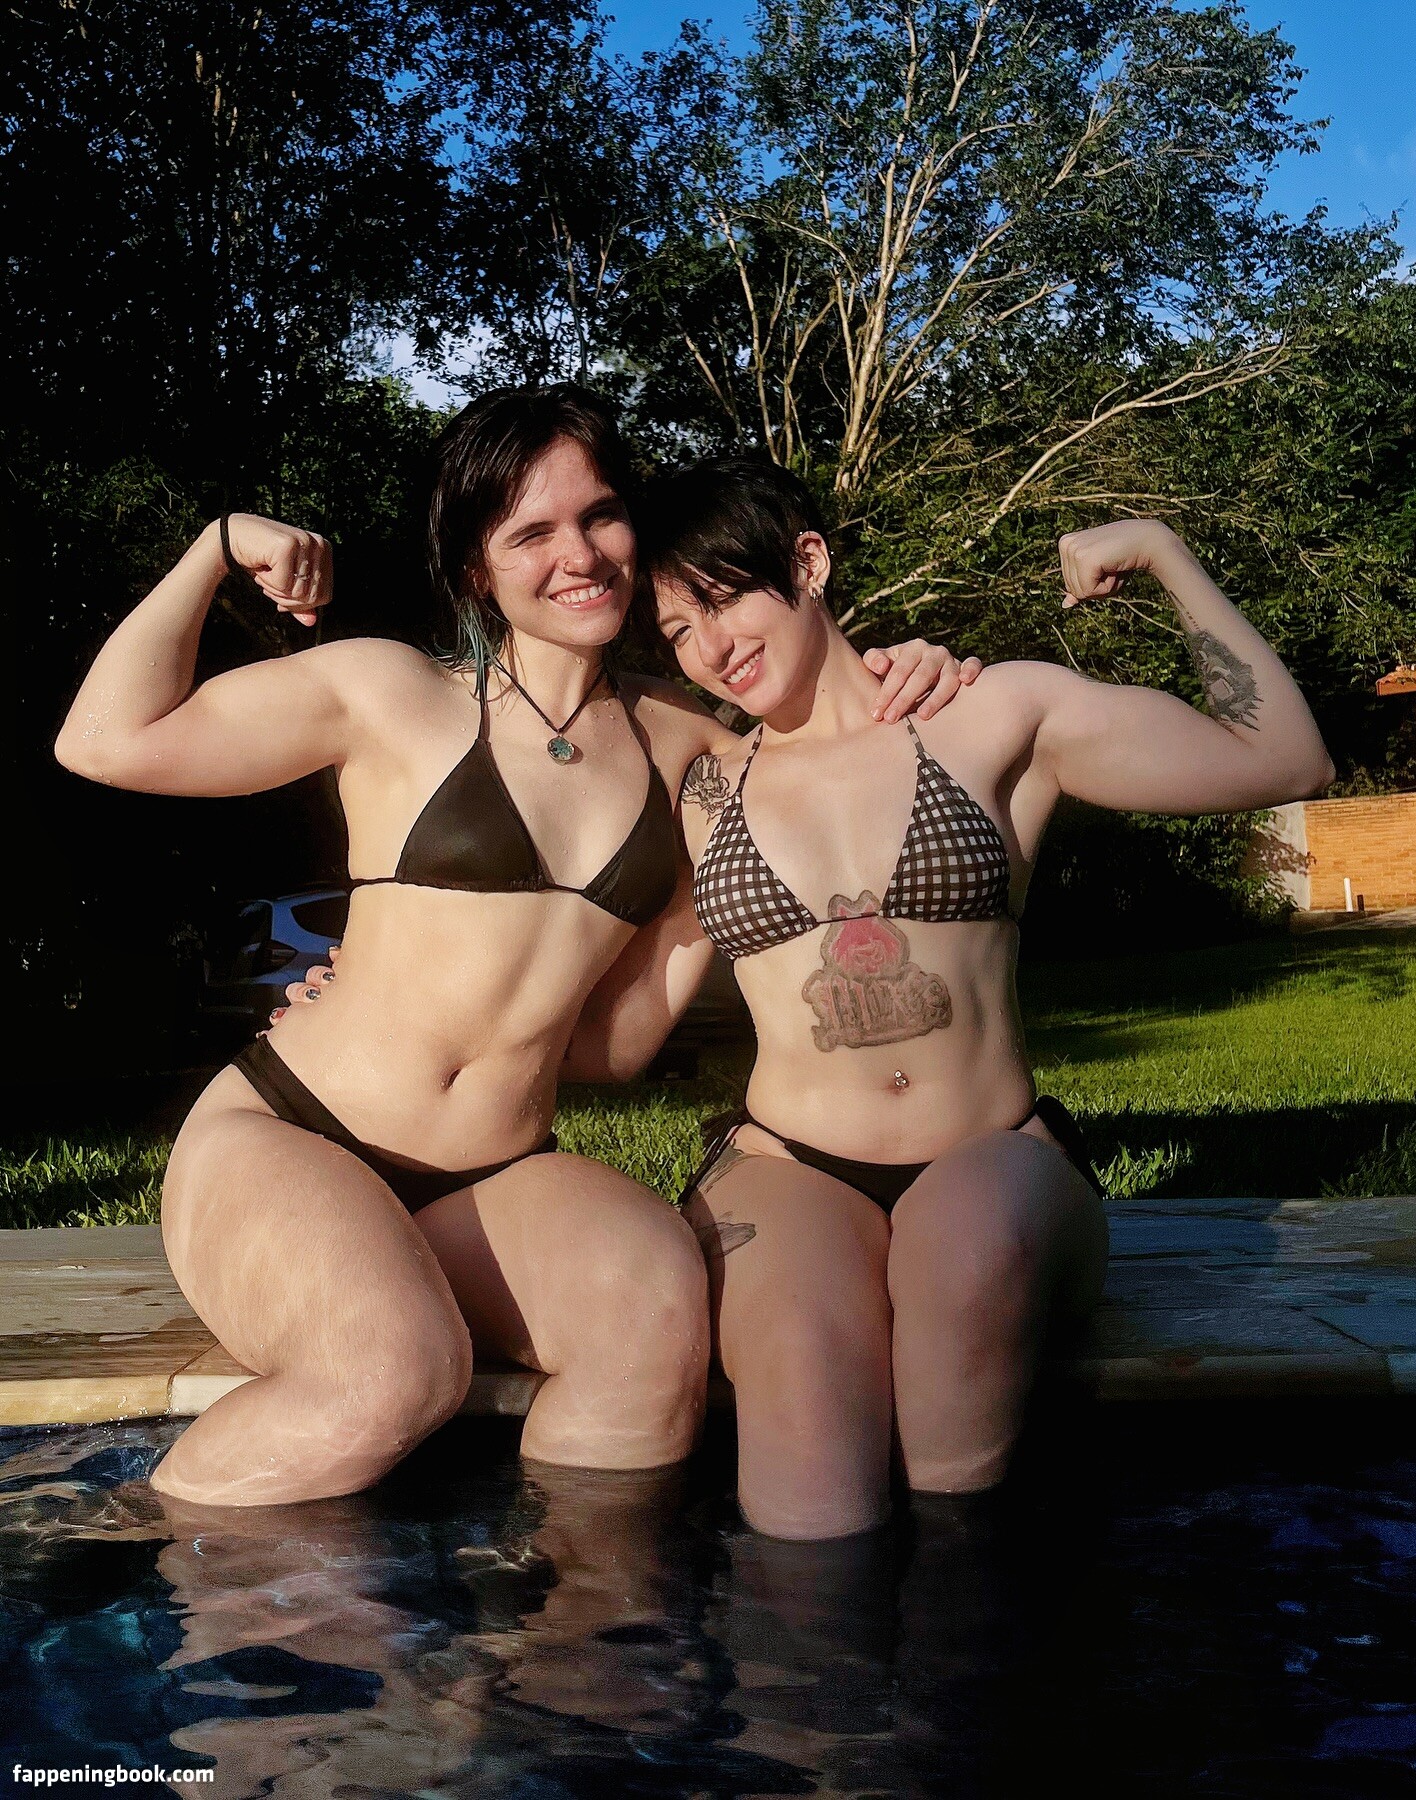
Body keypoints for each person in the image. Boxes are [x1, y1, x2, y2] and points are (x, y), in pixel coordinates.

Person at [53, 387, 972, 1509]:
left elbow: (619, 1039)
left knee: (656, 1311)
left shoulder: (690, 746)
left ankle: (570, 1605)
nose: (577, 555)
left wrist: (917, 670)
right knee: (392, 1373)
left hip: (492, 1175)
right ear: (476, 570)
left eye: (600, 516)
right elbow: (105, 741)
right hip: (293, 1136)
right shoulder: (389, 692)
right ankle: (137, 1553)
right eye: (531, 532)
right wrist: (214, 547)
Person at [566, 457, 1334, 1541]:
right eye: (680, 630)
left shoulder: (990, 714)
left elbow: (1285, 760)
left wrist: (1163, 552)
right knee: (803, 1445)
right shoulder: (706, 789)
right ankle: (810, 1647)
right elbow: (611, 1038)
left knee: (963, 1274)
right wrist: (359, 992)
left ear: (809, 563)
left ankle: (959, 1625)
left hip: (992, 1151)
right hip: (788, 1163)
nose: (711, 647)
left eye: (725, 597)